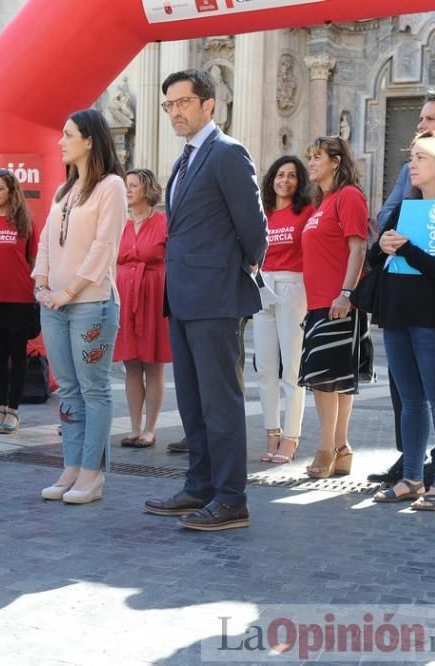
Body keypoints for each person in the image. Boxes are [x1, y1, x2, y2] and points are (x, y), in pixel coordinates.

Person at [143, 69, 268, 532]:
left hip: (216, 297)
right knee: (193, 402)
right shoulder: (186, 159)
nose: (175, 111)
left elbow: (253, 226)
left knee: (221, 402)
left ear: (209, 105)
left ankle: (232, 498)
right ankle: (199, 485)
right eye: (169, 105)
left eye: (183, 102)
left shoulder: (227, 153)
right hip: (183, 298)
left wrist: (244, 268)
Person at [369, 132, 435, 510]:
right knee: (411, 400)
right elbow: (373, 259)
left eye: (421, 158)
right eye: (411, 156)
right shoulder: (405, 208)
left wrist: (407, 248)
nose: (412, 164)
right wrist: (381, 247)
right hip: (398, 314)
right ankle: (411, 478)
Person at [33, 108, 125, 505]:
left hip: (91, 303)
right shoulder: (63, 191)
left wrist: (66, 293)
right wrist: (41, 283)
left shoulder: (112, 187)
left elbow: (103, 249)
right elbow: (46, 242)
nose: (60, 141)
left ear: (90, 140)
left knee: (94, 389)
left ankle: (93, 473)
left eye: (68, 134)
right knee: (68, 389)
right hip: (53, 304)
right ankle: (71, 466)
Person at [299, 136, 372, 479]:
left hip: (338, 301)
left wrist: (346, 293)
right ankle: (341, 448)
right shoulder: (323, 202)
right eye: (309, 157)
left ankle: (326, 447)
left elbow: (358, 249)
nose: (310, 163)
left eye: (317, 157)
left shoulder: (348, 196)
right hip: (319, 302)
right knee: (336, 379)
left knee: (325, 380)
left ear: (336, 162)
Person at [255, 156, 313, 464]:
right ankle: (271, 433)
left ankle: (290, 438)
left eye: (292, 176)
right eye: (280, 174)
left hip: (293, 287)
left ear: (299, 181)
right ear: (272, 179)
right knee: (265, 368)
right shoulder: (263, 213)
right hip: (263, 288)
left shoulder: (305, 212)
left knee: (291, 368)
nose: (285, 180)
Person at [0, 169, 38, 435]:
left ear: (12, 192)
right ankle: (0, 407)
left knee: (18, 354)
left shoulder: (23, 223)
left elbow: (33, 261)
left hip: (20, 298)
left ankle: (13, 411)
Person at [114, 168, 170, 449]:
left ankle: (150, 428)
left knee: (153, 364)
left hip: (153, 295)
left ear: (147, 190)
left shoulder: (162, 223)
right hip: (125, 296)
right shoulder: (119, 224)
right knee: (131, 364)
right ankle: (134, 427)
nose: (128, 190)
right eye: (127, 185)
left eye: (133, 185)